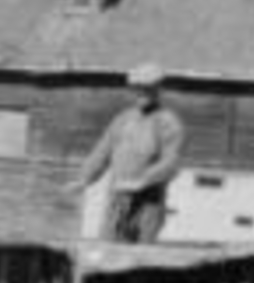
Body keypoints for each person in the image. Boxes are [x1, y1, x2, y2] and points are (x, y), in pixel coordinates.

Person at [63, 63, 185, 243]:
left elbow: (171, 162)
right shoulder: (123, 119)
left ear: (157, 89)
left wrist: (143, 180)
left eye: (147, 89)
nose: (141, 94)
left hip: (148, 206)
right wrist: (84, 179)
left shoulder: (168, 123)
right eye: (137, 89)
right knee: (107, 251)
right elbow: (102, 152)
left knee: (137, 260)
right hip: (117, 202)